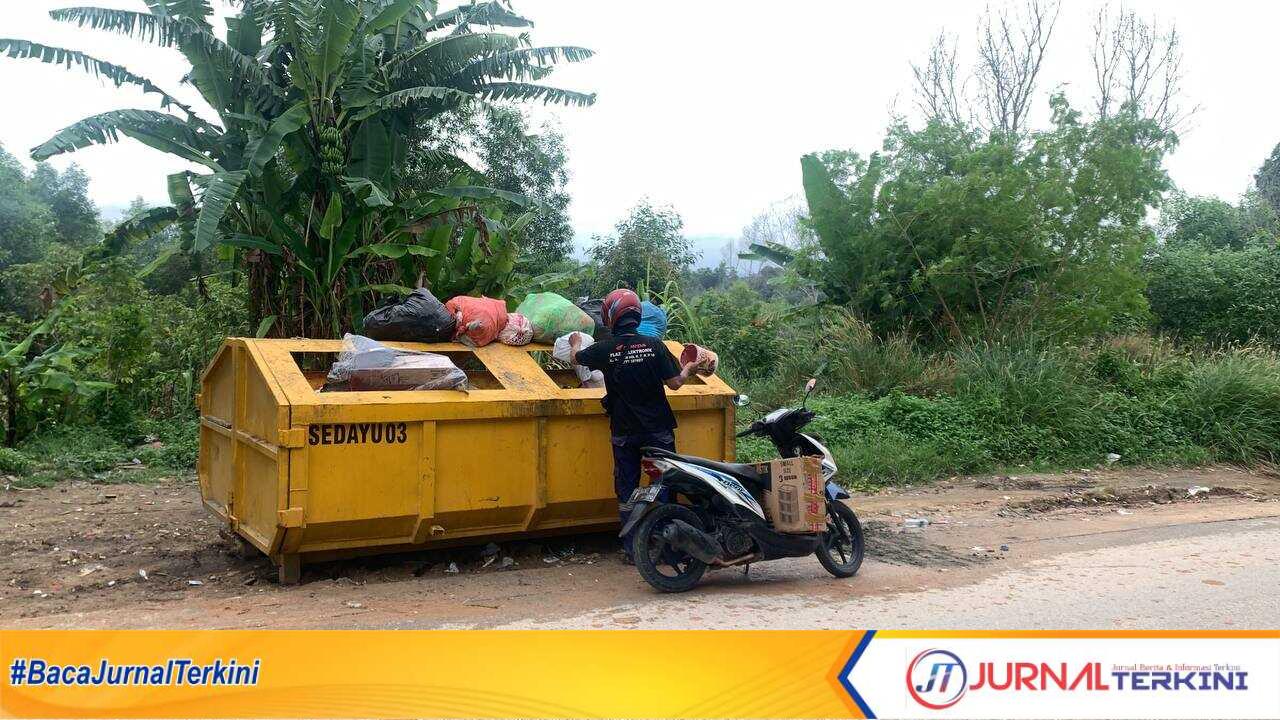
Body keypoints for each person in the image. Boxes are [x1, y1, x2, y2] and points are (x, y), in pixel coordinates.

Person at [570, 289, 698, 561]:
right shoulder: (655, 346)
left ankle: (632, 550)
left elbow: (576, 358)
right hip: (658, 431)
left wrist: (574, 342)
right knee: (663, 486)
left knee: (627, 490)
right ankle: (667, 549)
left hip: (624, 433)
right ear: (636, 316)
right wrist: (688, 370)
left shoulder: (604, 349)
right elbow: (675, 383)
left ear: (610, 316)